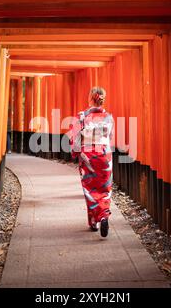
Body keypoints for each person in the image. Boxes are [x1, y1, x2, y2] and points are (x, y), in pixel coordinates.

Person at [69, 87, 115, 237]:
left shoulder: (81, 117)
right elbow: (110, 137)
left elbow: (75, 140)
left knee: (90, 189)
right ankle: (103, 215)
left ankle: (95, 219)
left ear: (90, 98)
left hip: (87, 156)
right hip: (104, 155)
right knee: (104, 188)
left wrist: (76, 153)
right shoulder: (109, 117)